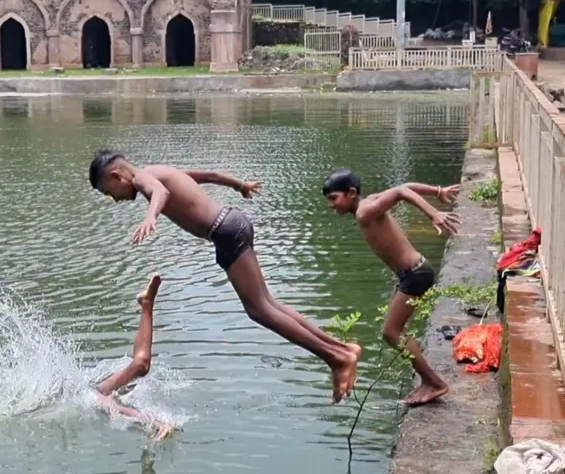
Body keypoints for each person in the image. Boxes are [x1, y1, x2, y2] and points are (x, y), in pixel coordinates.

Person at [88, 151, 362, 403]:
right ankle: (341, 349)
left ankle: (337, 358)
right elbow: (210, 176)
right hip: (232, 225)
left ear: (116, 176)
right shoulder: (157, 170)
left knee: (260, 311)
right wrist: (239, 185)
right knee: (269, 305)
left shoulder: (144, 178)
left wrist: (151, 217)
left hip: (226, 232)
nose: (113, 198)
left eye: (108, 192)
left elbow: (159, 192)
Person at [322, 170, 460, 406]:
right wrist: (438, 191)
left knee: (391, 332)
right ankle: (428, 380)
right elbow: (404, 186)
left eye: (334, 198)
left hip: (415, 274)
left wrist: (433, 213)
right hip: (413, 273)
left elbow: (401, 191)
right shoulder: (369, 203)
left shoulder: (365, 212)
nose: (331, 206)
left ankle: (434, 383)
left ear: (351, 193)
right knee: (393, 331)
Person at [91, 273, 176, 440]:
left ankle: (147, 303)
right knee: (142, 365)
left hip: (93, 389)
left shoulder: (83, 396)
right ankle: (146, 303)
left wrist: (155, 423)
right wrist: (156, 423)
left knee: (140, 366)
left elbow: (118, 409)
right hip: (96, 391)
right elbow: (119, 410)